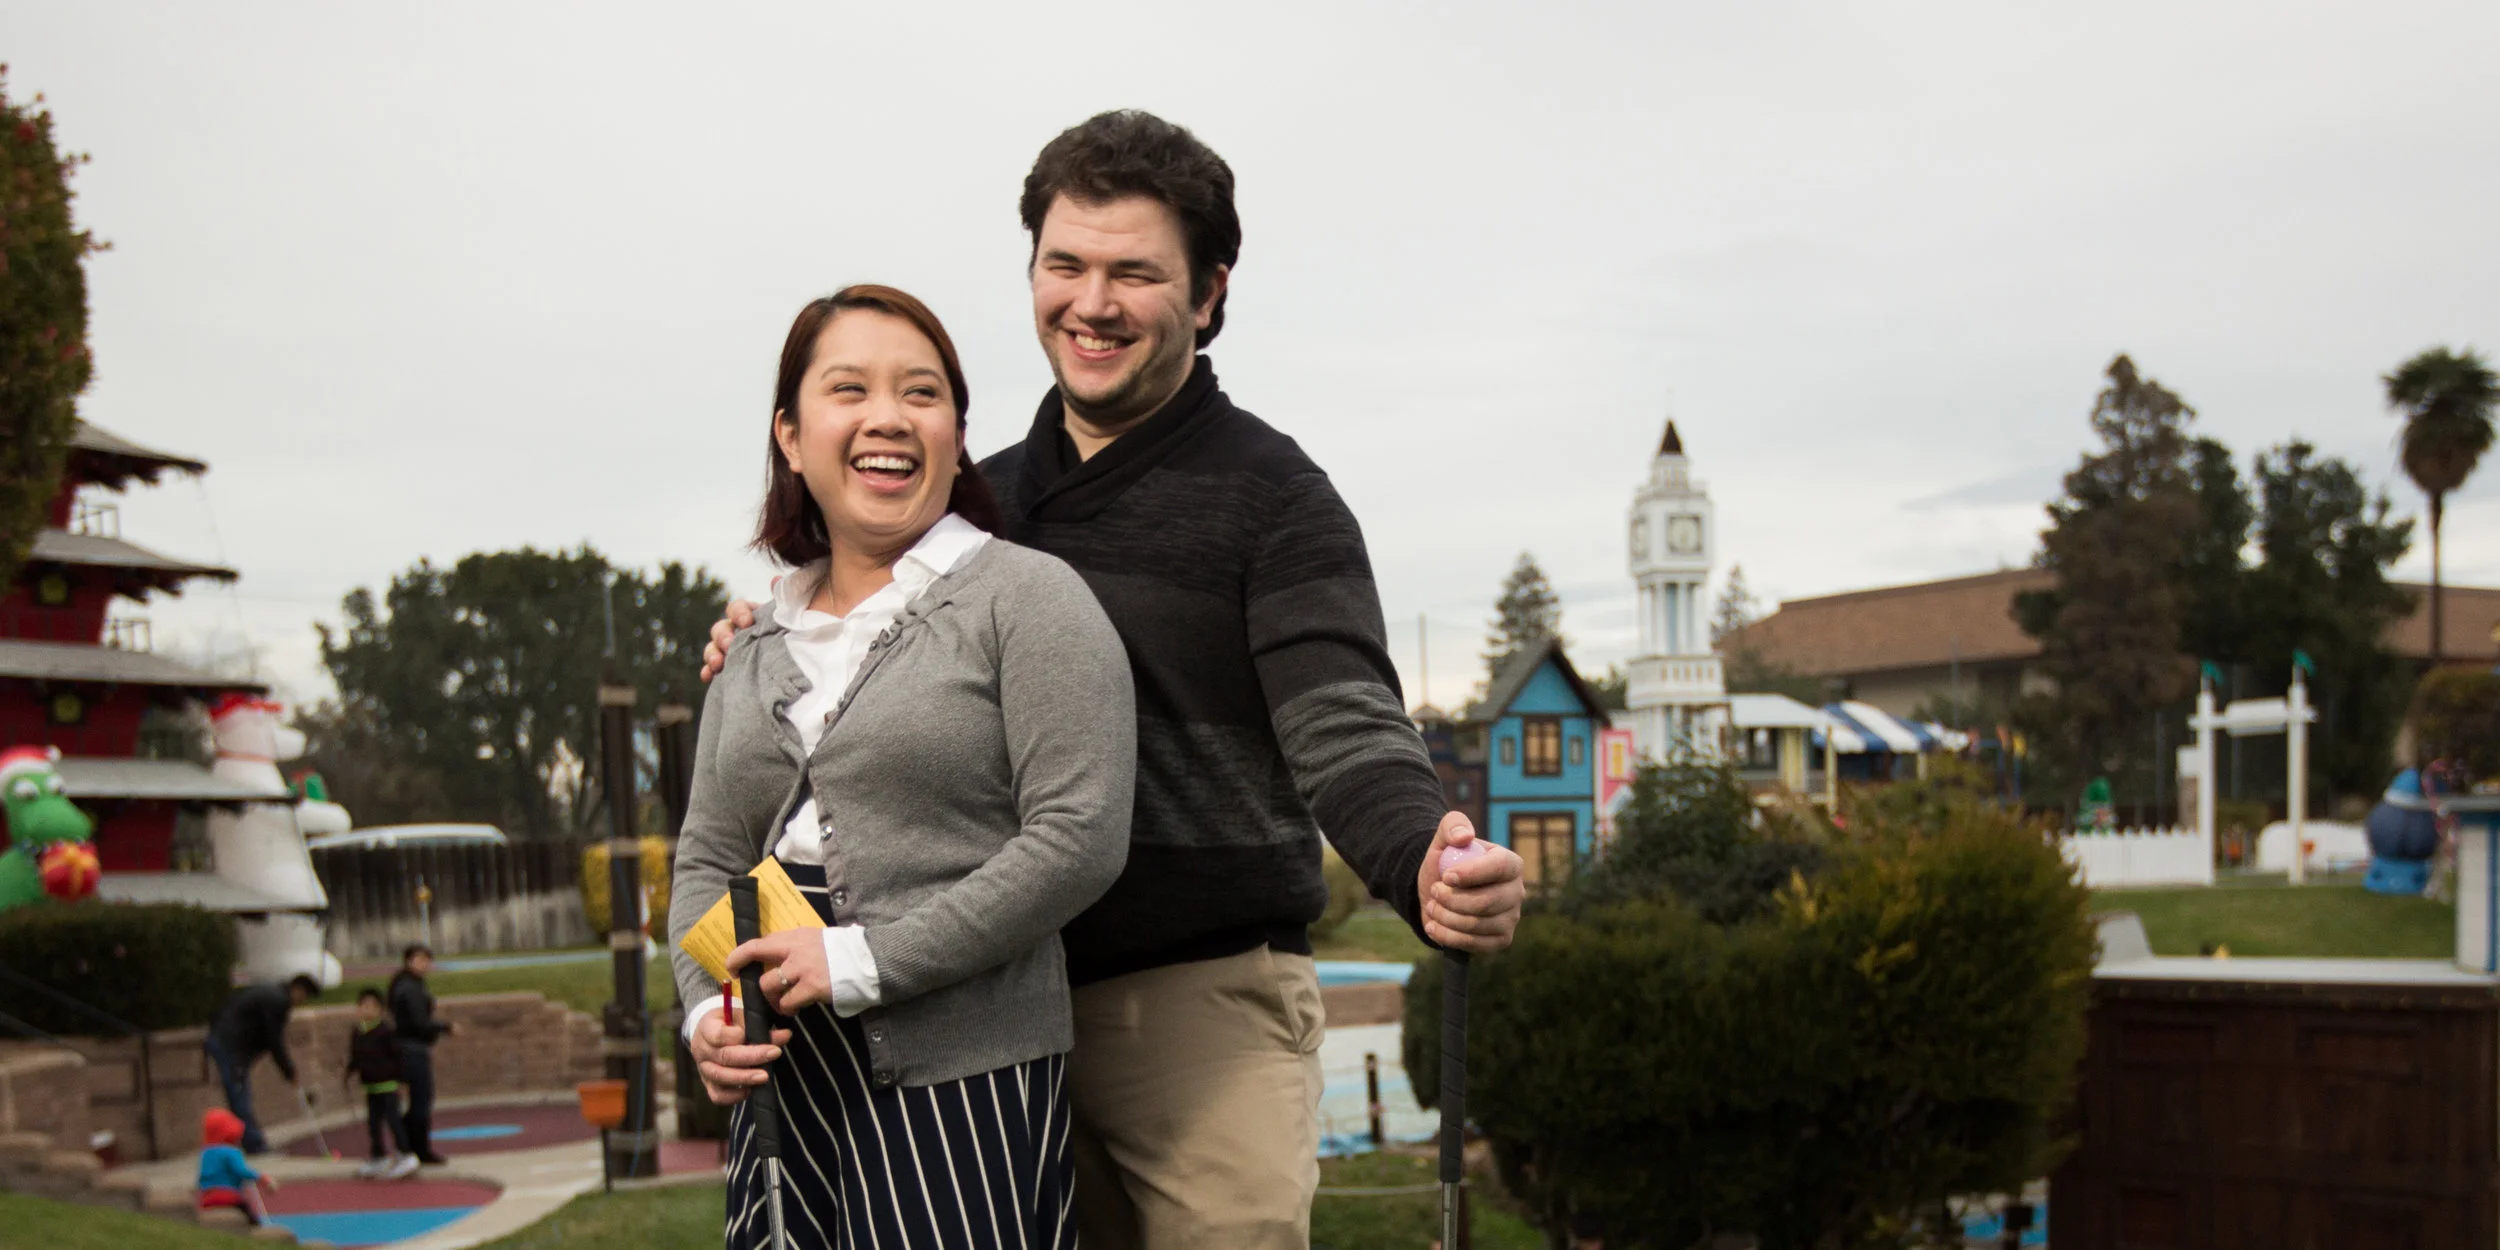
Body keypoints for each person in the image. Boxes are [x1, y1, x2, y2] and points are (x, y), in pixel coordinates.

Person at [703, 110, 1530, 1249]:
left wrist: (1419, 854)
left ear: (1208, 294)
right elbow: (851, 664)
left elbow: (1343, 722)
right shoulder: (969, 506)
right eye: (1066, 266)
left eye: (1134, 273)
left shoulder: (1275, 498)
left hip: (1197, 1015)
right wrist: (760, 643)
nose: (1091, 304)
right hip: (976, 1018)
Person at [668, 283, 1136, 1250]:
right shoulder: (751, 645)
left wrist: (862, 960)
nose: (887, 417)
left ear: (957, 435)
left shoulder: (1028, 598)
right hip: (784, 1081)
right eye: (849, 389)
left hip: (965, 1079)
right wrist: (705, 1011)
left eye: (921, 393)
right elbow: (707, 857)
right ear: (791, 436)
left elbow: (1080, 836)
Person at [203, 974, 318, 1155]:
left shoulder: (271, 993)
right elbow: (274, 1041)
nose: (301, 1002)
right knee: (239, 1094)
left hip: (227, 1041)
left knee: (239, 1092)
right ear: (298, 990)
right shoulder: (278, 1001)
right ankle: (254, 1144)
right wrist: (289, 1070)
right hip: (229, 1045)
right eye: (304, 996)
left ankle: (246, 1140)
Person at [387, 944, 457, 1164]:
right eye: (420, 960)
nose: (425, 964)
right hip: (412, 1049)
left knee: (419, 1100)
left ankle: (410, 1146)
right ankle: (416, 1147)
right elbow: (418, 1022)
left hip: (409, 1047)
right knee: (421, 1100)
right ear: (409, 961)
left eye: (427, 960)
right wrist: (444, 1027)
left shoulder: (408, 985)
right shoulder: (409, 988)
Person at [342, 988, 420, 1179]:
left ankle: (405, 1155)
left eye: (372, 1006)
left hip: (388, 1084)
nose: (367, 1010)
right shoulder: (358, 1032)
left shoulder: (386, 1032)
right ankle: (378, 1156)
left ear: (380, 1010)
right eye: (363, 1006)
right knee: (373, 1123)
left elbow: (398, 1056)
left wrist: (402, 1081)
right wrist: (348, 1073)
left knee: (393, 1120)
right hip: (370, 1085)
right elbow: (356, 1056)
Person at [195, 1108, 277, 1224]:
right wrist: (262, 1178)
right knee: (251, 1221)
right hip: (228, 1195)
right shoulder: (231, 1152)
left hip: (207, 1197)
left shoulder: (206, 1153)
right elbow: (241, 1170)